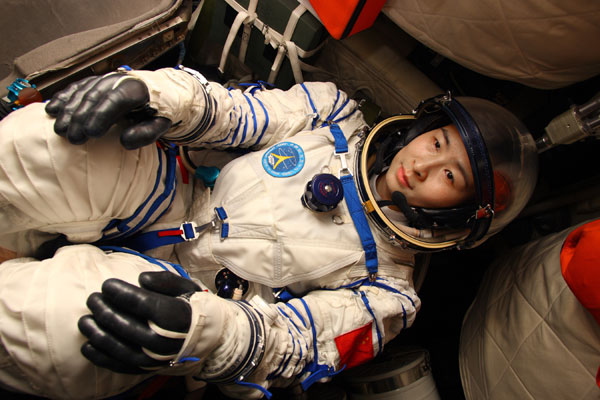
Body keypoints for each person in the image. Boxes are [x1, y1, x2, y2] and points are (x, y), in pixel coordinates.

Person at [0, 66, 538, 399]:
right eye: (438, 143)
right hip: (173, 191)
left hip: (188, 293)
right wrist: (152, 94)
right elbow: (234, 114)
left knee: (60, 333)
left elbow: (295, 348)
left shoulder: (389, 296)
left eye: (451, 176)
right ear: (423, 129)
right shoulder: (332, 113)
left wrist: (204, 335)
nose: (423, 165)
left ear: (461, 214)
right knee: (46, 142)